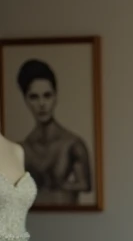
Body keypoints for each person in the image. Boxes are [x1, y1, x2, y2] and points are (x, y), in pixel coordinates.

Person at [17, 59, 92, 205]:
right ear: (25, 100)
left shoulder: (73, 143)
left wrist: (61, 185)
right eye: (34, 97)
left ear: (55, 96)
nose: (42, 104)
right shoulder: (21, 149)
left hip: (68, 215)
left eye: (47, 95)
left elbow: (86, 185)